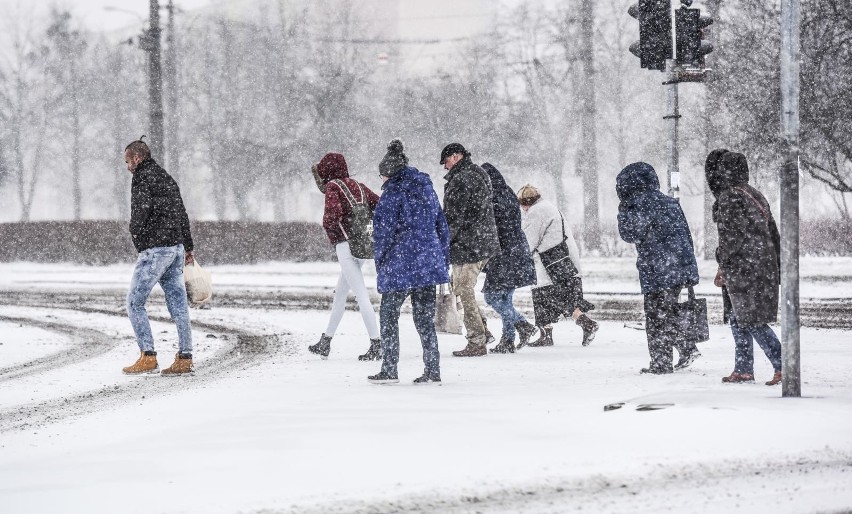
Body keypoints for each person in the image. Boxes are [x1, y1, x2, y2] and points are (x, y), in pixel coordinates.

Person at [367, 140, 450, 384]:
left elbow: (383, 233)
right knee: (424, 319)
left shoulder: (392, 194)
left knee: (389, 315)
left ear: (389, 173)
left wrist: (380, 261)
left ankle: (390, 369)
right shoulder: (427, 189)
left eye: (381, 175)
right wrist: (441, 259)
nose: (381, 180)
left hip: (400, 264)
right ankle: (432, 370)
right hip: (427, 264)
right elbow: (441, 226)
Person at [616, 162, 702, 374]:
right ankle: (686, 347)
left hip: (657, 269)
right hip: (676, 267)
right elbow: (686, 236)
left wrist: (623, 210)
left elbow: (630, 233)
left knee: (655, 316)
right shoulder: (669, 202)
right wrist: (689, 270)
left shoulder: (639, 204)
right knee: (668, 312)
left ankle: (662, 363)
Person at [706, 150, 783, 386]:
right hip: (761, 263)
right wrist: (777, 265)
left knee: (750, 318)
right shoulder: (754, 194)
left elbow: (732, 236)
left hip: (743, 266)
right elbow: (773, 233)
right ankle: (743, 368)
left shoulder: (730, 197)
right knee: (737, 316)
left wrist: (722, 260)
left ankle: (783, 364)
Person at [121, 138, 196, 376]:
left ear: (137, 157)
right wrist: (188, 247)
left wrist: (140, 241)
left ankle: (148, 356)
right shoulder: (167, 178)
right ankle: (185, 357)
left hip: (155, 250)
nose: (127, 167)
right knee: (179, 305)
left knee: (135, 302)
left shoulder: (142, 178)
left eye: (127, 161)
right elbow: (182, 213)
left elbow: (139, 214)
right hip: (176, 249)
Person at [308, 152, 382, 361]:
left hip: (345, 246)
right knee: (340, 295)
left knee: (361, 294)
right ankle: (326, 341)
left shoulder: (333, 187)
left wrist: (334, 235)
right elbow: (379, 205)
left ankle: (376, 343)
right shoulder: (359, 186)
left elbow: (331, 216)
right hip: (362, 246)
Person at [516, 185, 598, 347]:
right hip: (561, 261)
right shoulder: (548, 207)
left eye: (522, 204)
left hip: (549, 263)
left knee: (550, 298)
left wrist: (516, 255)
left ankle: (586, 324)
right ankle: (547, 335)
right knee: (554, 297)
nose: (522, 209)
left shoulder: (536, 211)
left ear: (526, 202)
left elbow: (529, 241)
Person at [440, 143, 501, 357]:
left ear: (456, 157)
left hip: (469, 245)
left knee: (464, 289)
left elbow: (454, 218)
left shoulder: (461, 179)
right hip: (481, 242)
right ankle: (483, 331)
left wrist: (443, 242)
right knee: (461, 287)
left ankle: (477, 340)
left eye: (446, 161)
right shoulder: (479, 173)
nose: (445, 167)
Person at [480, 164, 538, 353]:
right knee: (505, 298)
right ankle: (507, 340)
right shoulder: (508, 194)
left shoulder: (493, 199)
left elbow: (493, 229)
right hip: (518, 250)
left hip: (504, 254)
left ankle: (523, 324)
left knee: (492, 296)